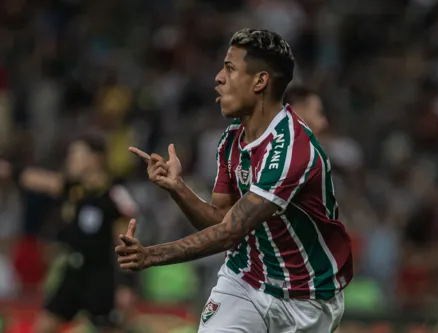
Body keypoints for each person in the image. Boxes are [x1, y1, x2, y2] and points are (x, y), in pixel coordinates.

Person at [116, 29, 353, 333]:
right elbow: (219, 219)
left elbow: (229, 232)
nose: (218, 78)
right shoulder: (232, 139)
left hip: (307, 298)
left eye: (229, 68)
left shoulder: (291, 149)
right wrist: (178, 188)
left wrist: (153, 254)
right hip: (245, 280)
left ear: (260, 81)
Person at [0, 136, 137, 333]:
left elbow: (127, 242)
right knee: (44, 326)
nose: (70, 159)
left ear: (94, 159)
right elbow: (38, 180)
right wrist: (8, 170)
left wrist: (126, 285)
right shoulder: (74, 189)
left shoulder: (113, 196)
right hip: (72, 272)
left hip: (100, 276)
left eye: (76, 154)